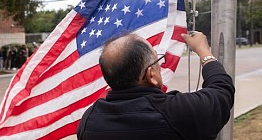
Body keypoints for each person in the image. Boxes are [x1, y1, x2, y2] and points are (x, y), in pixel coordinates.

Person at [76, 31, 235, 140]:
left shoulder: (90, 121)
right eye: (158, 61)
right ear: (151, 75)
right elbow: (222, 90)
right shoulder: (177, 112)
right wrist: (204, 51)